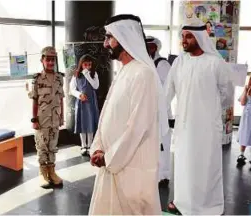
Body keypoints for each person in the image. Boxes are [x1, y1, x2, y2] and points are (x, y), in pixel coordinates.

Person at [88, 14, 169, 215]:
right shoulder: (125, 71)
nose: (106, 43)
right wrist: (97, 147)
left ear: (124, 38)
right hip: (112, 162)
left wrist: (110, 157)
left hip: (130, 166)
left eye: (109, 37)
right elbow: (107, 113)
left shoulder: (144, 74)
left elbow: (137, 127)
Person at [165, 19, 234, 215]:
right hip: (184, 126)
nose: (184, 41)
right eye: (182, 36)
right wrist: (160, 113)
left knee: (205, 167)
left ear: (200, 38)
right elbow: (168, 90)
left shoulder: (215, 63)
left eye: (188, 37)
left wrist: (207, 109)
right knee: (184, 165)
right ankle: (182, 203)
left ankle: (207, 207)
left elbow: (227, 94)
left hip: (206, 127)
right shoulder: (179, 61)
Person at [31, 46, 64, 188]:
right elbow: (34, 99)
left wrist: (62, 116)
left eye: (53, 60)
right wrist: (34, 119)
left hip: (55, 118)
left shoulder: (59, 78)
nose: (50, 62)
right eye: (48, 59)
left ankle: (52, 172)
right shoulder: (37, 79)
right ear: (42, 60)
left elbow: (61, 98)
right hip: (42, 119)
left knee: (53, 145)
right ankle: (43, 173)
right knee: (42, 146)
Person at [146, 35, 173, 188]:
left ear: (156, 48)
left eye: (151, 46)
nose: (149, 49)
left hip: (162, 111)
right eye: (147, 46)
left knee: (163, 144)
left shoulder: (162, 64)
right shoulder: (145, 63)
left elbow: (168, 89)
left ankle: (164, 175)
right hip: (149, 111)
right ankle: (155, 174)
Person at [69, 54, 100, 156]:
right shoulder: (76, 75)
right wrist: (79, 95)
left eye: (89, 65)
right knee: (82, 123)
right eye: (85, 64)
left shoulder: (94, 74)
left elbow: (95, 86)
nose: (87, 67)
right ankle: (83, 145)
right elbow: (72, 89)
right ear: (81, 64)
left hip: (91, 102)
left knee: (90, 123)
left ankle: (90, 145)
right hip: (81, 102)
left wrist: (87, 75)